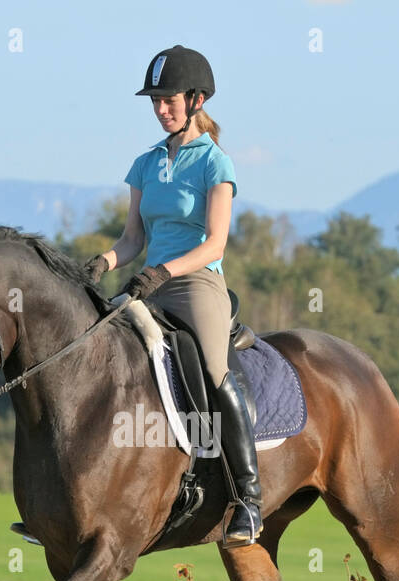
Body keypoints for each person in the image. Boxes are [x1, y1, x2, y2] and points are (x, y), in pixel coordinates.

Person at [82, 44, 262, 548]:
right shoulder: (144, 164)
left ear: (196, 99)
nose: (161, 109)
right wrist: (103, 263)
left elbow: (215, 243)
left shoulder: (216, 164)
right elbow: (132, 240)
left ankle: (249, 497)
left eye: (169, 100)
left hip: (197, 282)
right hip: (150, 284)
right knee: (99, 357)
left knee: (213, 369)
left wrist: (162, 272)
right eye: (155, 101)